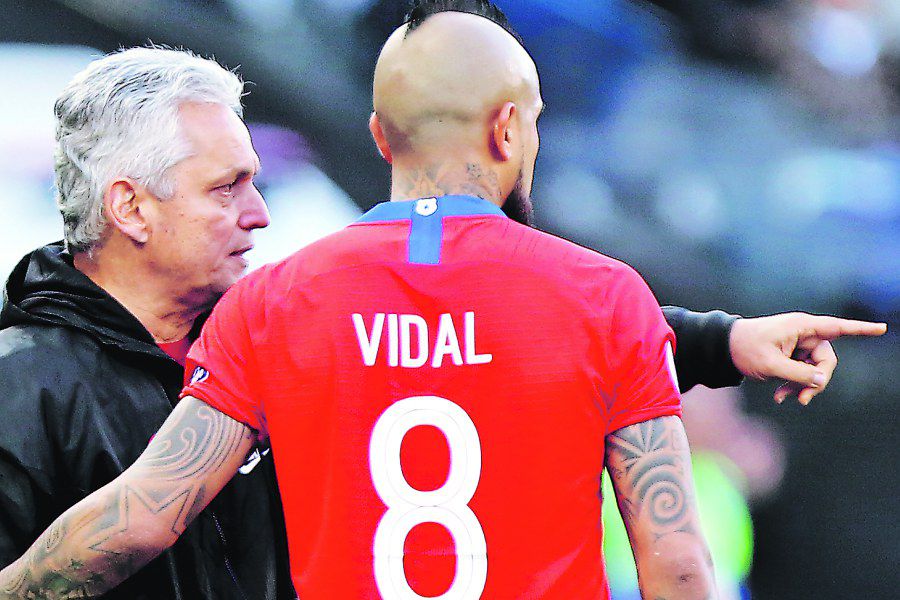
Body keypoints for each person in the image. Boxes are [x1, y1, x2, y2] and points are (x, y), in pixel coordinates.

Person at [0, 8, 886, 600]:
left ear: (381, 135)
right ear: (509, 129)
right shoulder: (602, 299)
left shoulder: (273, 304)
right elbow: (678, 565)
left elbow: (140, 519)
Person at [0, 48, 294, 599]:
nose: (259, 213)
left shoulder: (277, 354)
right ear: (131, 208)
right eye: (226, 187)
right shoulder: (17, 387)